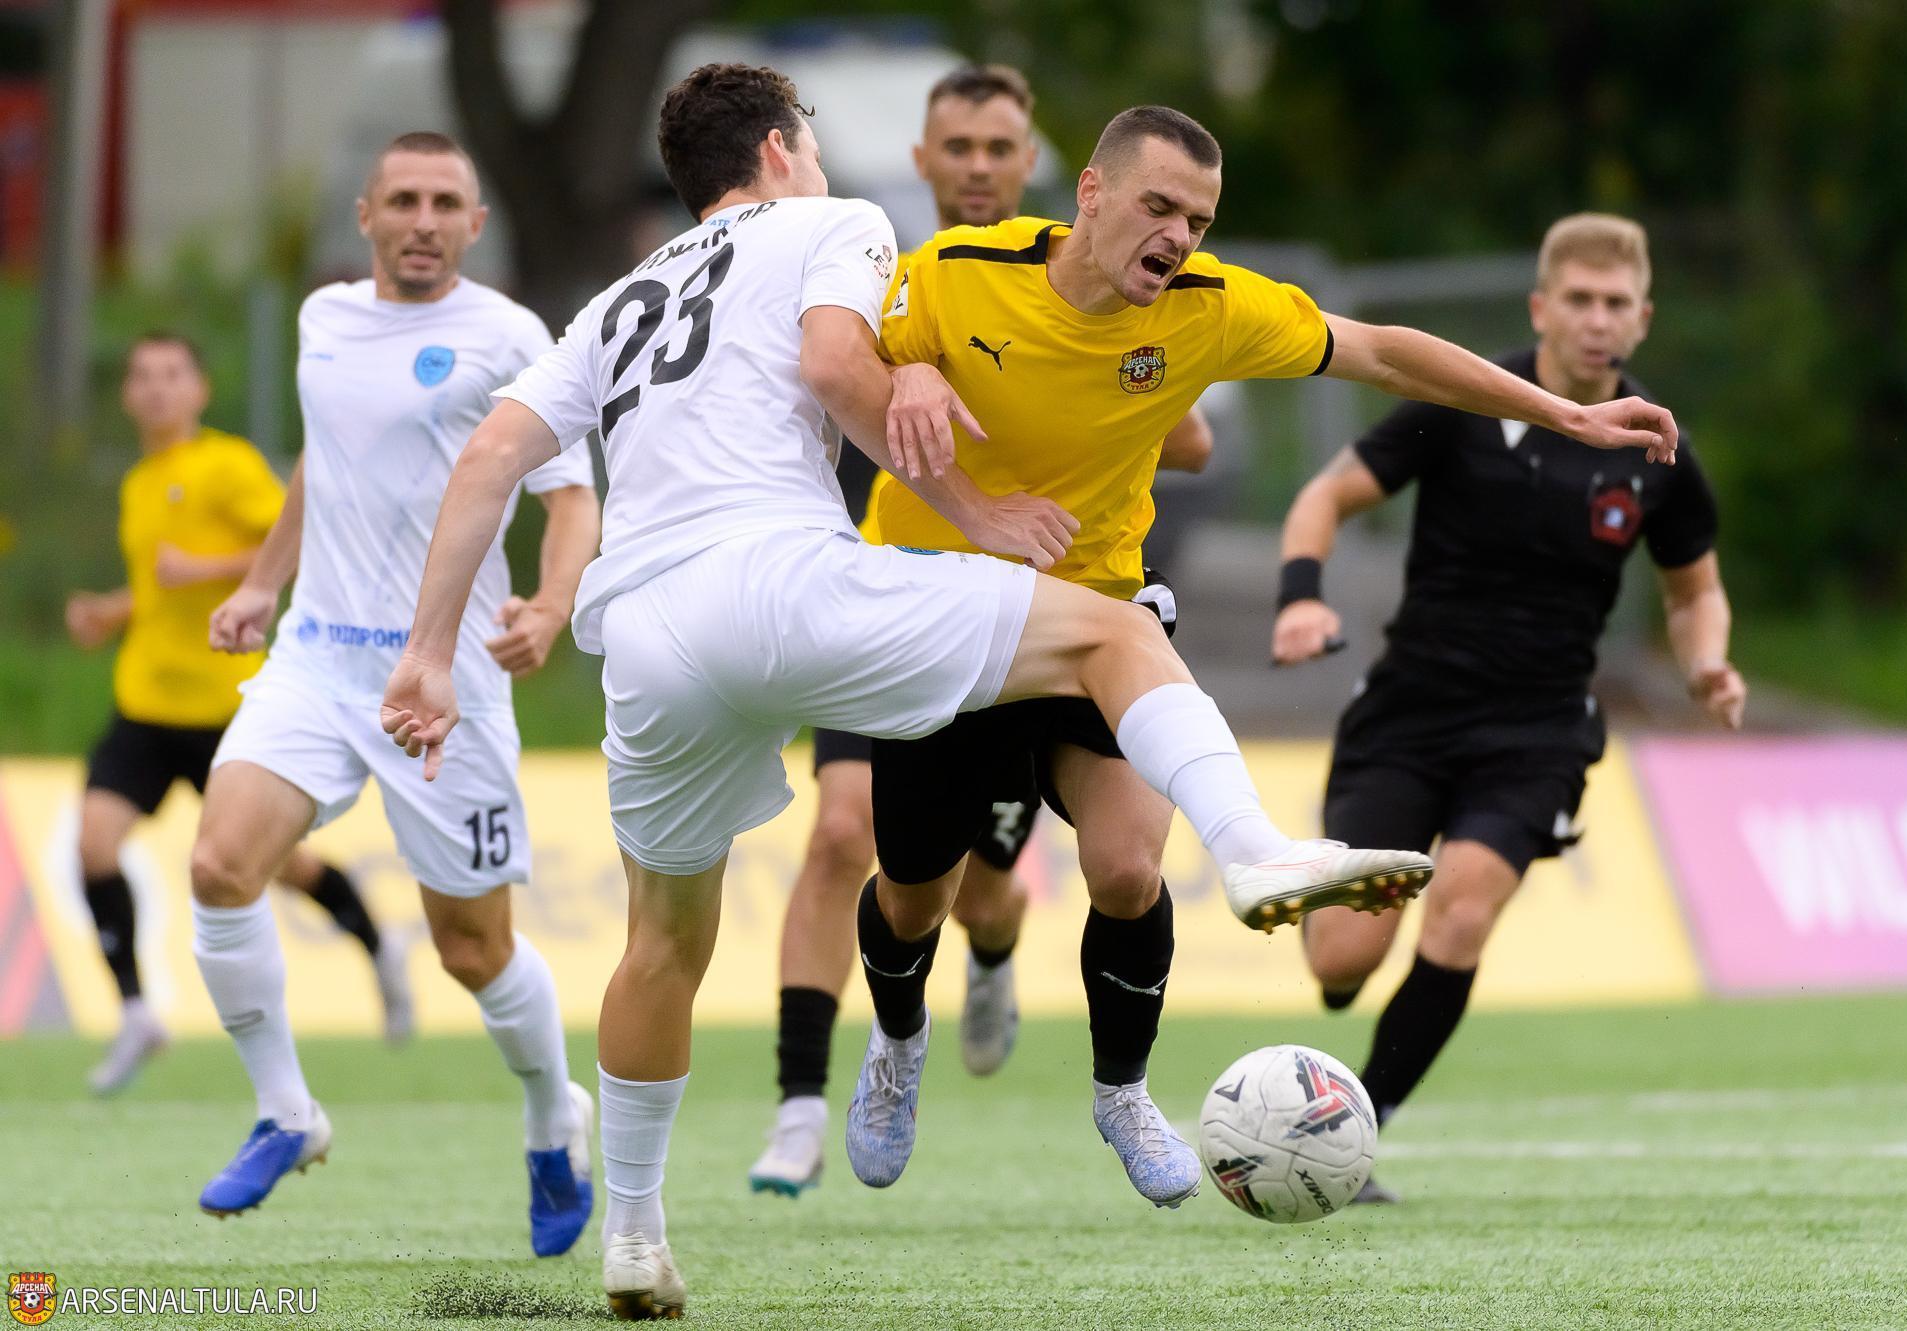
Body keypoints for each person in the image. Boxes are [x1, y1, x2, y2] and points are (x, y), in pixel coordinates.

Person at [377, 64, 1455, 1320]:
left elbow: (490, 456)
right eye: (811, 142)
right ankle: (1254, 848)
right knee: (1112, 636)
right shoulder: (830, 222)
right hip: (785, 583)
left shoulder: (618, 300)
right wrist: (976, 509)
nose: (822, 162)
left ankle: (633, 1234)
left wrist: (426, 653)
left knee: (661, 944)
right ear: (777, 149)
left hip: (648, 636)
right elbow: (839, 366)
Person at [847, 111, 1681, 1211]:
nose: (1178, 237)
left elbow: (1382, 350)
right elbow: (841, 355)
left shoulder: (1208, 307)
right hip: (946, 621)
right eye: (1158, 206)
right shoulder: (959, 271)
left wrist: (1561, 412)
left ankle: (1121, 1090)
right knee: (916, 897)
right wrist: (904, 373)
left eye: (1197, 220)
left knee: (1129, 868)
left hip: (1097, 618)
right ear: (1089, 192)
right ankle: (897, 1042)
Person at [748, 61, 1215, 1199]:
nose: (976, 166)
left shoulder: (1123, 281)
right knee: (869, 854)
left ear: (1042, 165)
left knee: (1080, 873)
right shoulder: (889, 266)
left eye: (997, 148)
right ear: (922, 160)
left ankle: (1101, 1067)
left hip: (1079, 601)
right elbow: (828, 368)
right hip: (915, 605)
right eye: (956, 147)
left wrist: (1093, 395)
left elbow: (1188, 431)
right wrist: (909, 371)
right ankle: (830, 1085)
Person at [1271, 212, 1744, 1202]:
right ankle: (1338, 957)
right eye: (1578, 299)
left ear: (1643, 319)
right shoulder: (1459, 401)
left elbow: (1693, 588)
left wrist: (1706, 663)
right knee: (1341, 959)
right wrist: (1301, 595)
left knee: (1462, 908)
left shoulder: (1655, 448)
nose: (1596, 319)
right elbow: (1323, 497)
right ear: (1539, 308)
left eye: (1616, 303)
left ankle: (1354, 1129)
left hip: (1535, 730)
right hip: (1408, 711)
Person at [188, 132, 603, 1258]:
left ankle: (551, 1114)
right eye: (404, 200)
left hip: (448, 681)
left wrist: (550, 604)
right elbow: (324, 463)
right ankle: (286, 1113)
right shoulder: (324, 319)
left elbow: (571, 497)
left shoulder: (509, 336)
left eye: (445, 203)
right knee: (220, 865)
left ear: (475, 225)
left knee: (472, 948)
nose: (424, 221)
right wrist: (261, 583)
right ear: (366, 215)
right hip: (319, 661)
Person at [64, 333, 407, 1097]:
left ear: (200, 390)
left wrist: (204, 568)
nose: (156, 388)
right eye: (142, 376)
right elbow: (158, 589)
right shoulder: (140, 482)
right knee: (92, 842)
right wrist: (112, 612)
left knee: (283, 867)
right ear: (127, 395)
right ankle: (136, 1013)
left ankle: (377, 945)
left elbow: (298, 539)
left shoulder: (226, 465)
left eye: (172, 374)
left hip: (226, 709)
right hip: (145, 705)